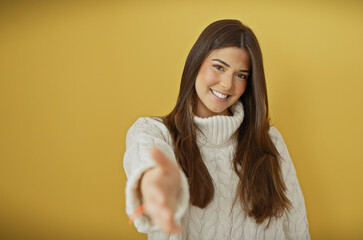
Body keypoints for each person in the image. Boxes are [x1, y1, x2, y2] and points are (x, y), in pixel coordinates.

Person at [123, 19, 310, 240]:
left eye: (241, 75)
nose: (227, 85)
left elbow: (295, 227)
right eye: (219, 67)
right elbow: (148, 165)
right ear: (196, 63)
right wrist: (155, 185)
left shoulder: (269, 140)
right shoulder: (152, 131)